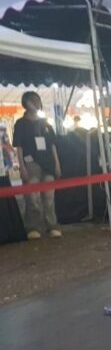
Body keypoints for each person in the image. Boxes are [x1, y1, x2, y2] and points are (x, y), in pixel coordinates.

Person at [12, 91, 62, 240]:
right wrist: (21, 166)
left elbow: (52, 145)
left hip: (48, 162)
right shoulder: (20, 124)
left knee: (49, 196)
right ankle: (33, 227)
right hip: (31, 163)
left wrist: (57, 163)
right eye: (32, 100)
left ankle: (52, 225)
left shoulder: (45, 123)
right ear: (25, 103)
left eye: (37, 100)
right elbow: (19, 147)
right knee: (32, 197)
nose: (36, 103)